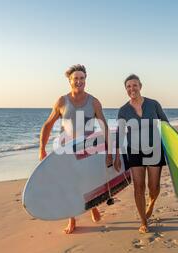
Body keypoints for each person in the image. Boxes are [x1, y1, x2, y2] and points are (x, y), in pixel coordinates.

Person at [39, 64, 112, 234]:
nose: (79, 81)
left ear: (85, 80)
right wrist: (42, 148)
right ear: (70, 81)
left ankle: (92, 206)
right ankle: (72, 218)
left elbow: (104, 127)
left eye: (82, 78)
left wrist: (109, 151)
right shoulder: (61, 102)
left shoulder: (94, 102)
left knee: (88, 180)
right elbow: (48, 125)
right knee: (69, 183)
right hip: (67, 149)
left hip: (89, 148)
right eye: (75, 78)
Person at [114, 74, 168, 234]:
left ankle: (151, 203)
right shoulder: (123, 110)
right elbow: (120, 133)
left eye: (134, 85)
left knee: (154, 186)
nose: (132, 89)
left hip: (154, 149)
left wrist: (173, 149)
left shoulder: (153, 104)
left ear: (140, 86)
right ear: (126, 90)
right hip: (134, 151)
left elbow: (165, 124)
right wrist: (116, 154)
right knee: (138, 186)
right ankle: (144, 221)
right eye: (129, 86)